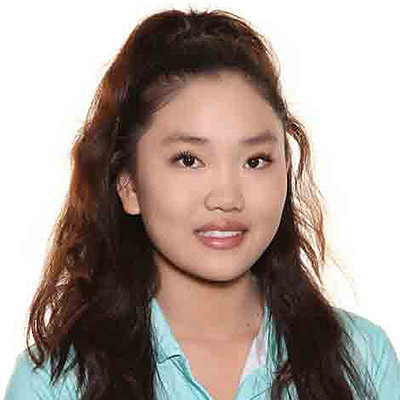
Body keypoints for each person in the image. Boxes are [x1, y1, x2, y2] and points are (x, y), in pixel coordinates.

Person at [4, 7, 400, 400]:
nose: (227, 198)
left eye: (255, 161)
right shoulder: (54, 384)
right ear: (128, 185)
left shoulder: (363, 359)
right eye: (189, 160)